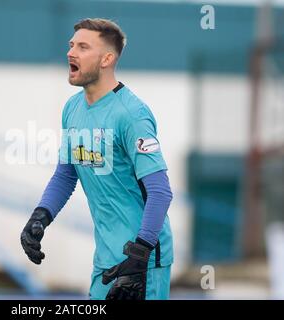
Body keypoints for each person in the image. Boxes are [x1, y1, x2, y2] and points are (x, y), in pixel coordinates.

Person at [20, 18, 173, 300]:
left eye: (82, 47)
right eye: (71, 45)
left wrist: (140, 257)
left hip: (143, 262)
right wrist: (40, 216)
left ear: (107, 59)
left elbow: (161, 192)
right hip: (105, 261)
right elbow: (66, 175)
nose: (71, 52)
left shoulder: (132, 114)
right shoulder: (72, 108)